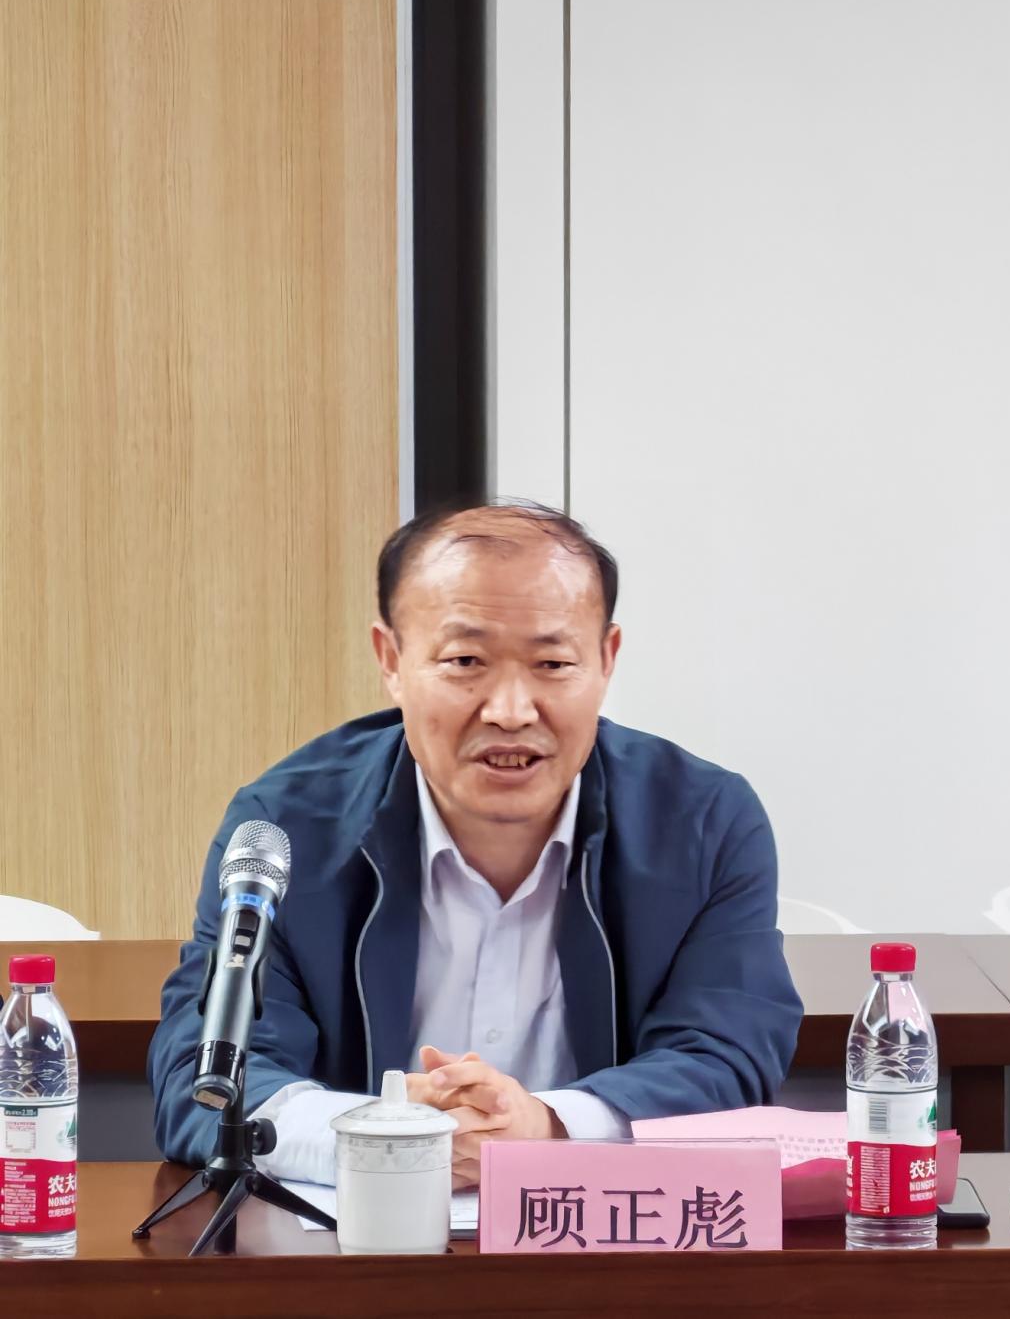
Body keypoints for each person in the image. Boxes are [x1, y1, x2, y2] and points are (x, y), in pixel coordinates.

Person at [150, 502, 802, 1188]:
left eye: (553, 663)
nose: (511, 711)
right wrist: (382, 1133)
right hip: (355, 1240)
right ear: (391, 660)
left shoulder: (701, 823)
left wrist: (547, 1128)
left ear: (607, 659)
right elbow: (204, 1074)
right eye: (466, 661)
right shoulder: (286, 826)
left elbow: (727, 1056)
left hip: (604, 1240)